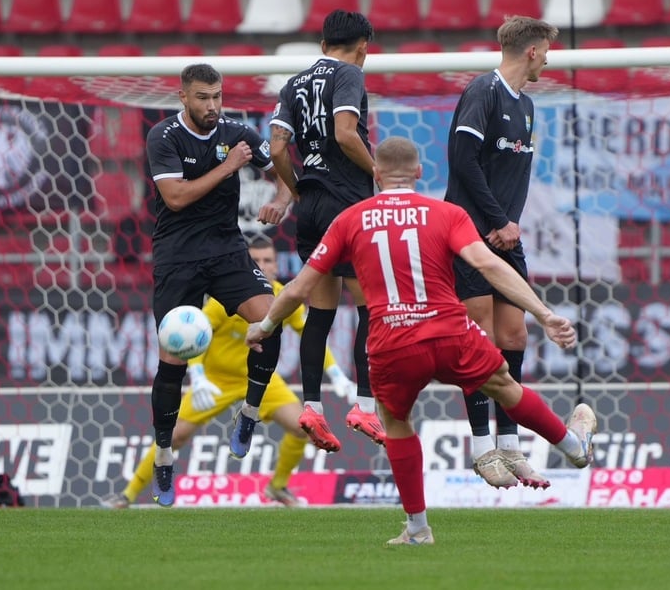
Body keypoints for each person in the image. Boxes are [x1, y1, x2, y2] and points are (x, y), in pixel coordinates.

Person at [247, 137, 597, 546]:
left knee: (396, 423)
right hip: (450, 331)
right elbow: (488, 264)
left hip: (391, 343)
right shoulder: (447, 213)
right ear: (419, 173)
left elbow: (299, 288)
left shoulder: (349, 219)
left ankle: (417, 527)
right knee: (504, 385)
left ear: (375, 175)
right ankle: (572, 446)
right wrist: (543, 312)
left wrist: (266, 325)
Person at [101, 238, 355, 508]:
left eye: (268, 260)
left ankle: (278, 487)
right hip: (216, 381)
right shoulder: (225, 300)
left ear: (276, 265)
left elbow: (308, 333)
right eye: (255, 261)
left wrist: (336, 373)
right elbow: (192, 334)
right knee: (174, 436)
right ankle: (127, 495)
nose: (263, 266)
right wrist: (197, 377)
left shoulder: (284, 296)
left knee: (302, 427)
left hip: (261, 383)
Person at [144, 63, 285, 507]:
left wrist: (281, 197)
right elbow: (176, 197)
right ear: (182, 97)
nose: (212, 106)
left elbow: (282, 168)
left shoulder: (237, 131)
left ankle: (248, 411)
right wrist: (228, 167)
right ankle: (164, 455)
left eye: (217, 96)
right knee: (172, 359)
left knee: (270, 320)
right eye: (203, 98)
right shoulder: (163, 138)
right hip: (178, 256)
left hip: (226, 250)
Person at [260, 8, 385, 453]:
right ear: (363, 46)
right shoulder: (349, 74)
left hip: (310, 206)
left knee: (321, 311)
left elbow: (276, 146)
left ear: (322, 45)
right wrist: (380, 175)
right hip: (347, 205)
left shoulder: (293, 83)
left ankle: (311, 406)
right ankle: (364, 407)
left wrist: (295, 192)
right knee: (370, 308)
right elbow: (347, 133)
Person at [443, 15, 560, 490]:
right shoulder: (482, 91)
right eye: (547, 50)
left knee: (514, 336)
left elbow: (514, 177)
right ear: (531, 51)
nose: (550, 58)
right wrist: (495, 221)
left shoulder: (527, 105)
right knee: (480, 341)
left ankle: (510, 444)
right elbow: (462, 161)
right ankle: (480, 447)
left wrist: (508, 226)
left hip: (504, 235)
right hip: (472, 234)